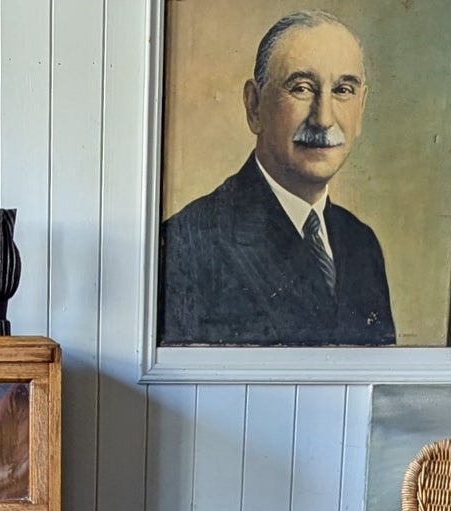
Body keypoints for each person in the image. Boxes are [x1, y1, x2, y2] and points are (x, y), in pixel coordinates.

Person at [161, 10, 395, 346]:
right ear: (254, 106)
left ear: (361, 108)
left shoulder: (362, 244)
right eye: (301, 88)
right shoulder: (187, 243)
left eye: (343, 90)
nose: (324, 119)